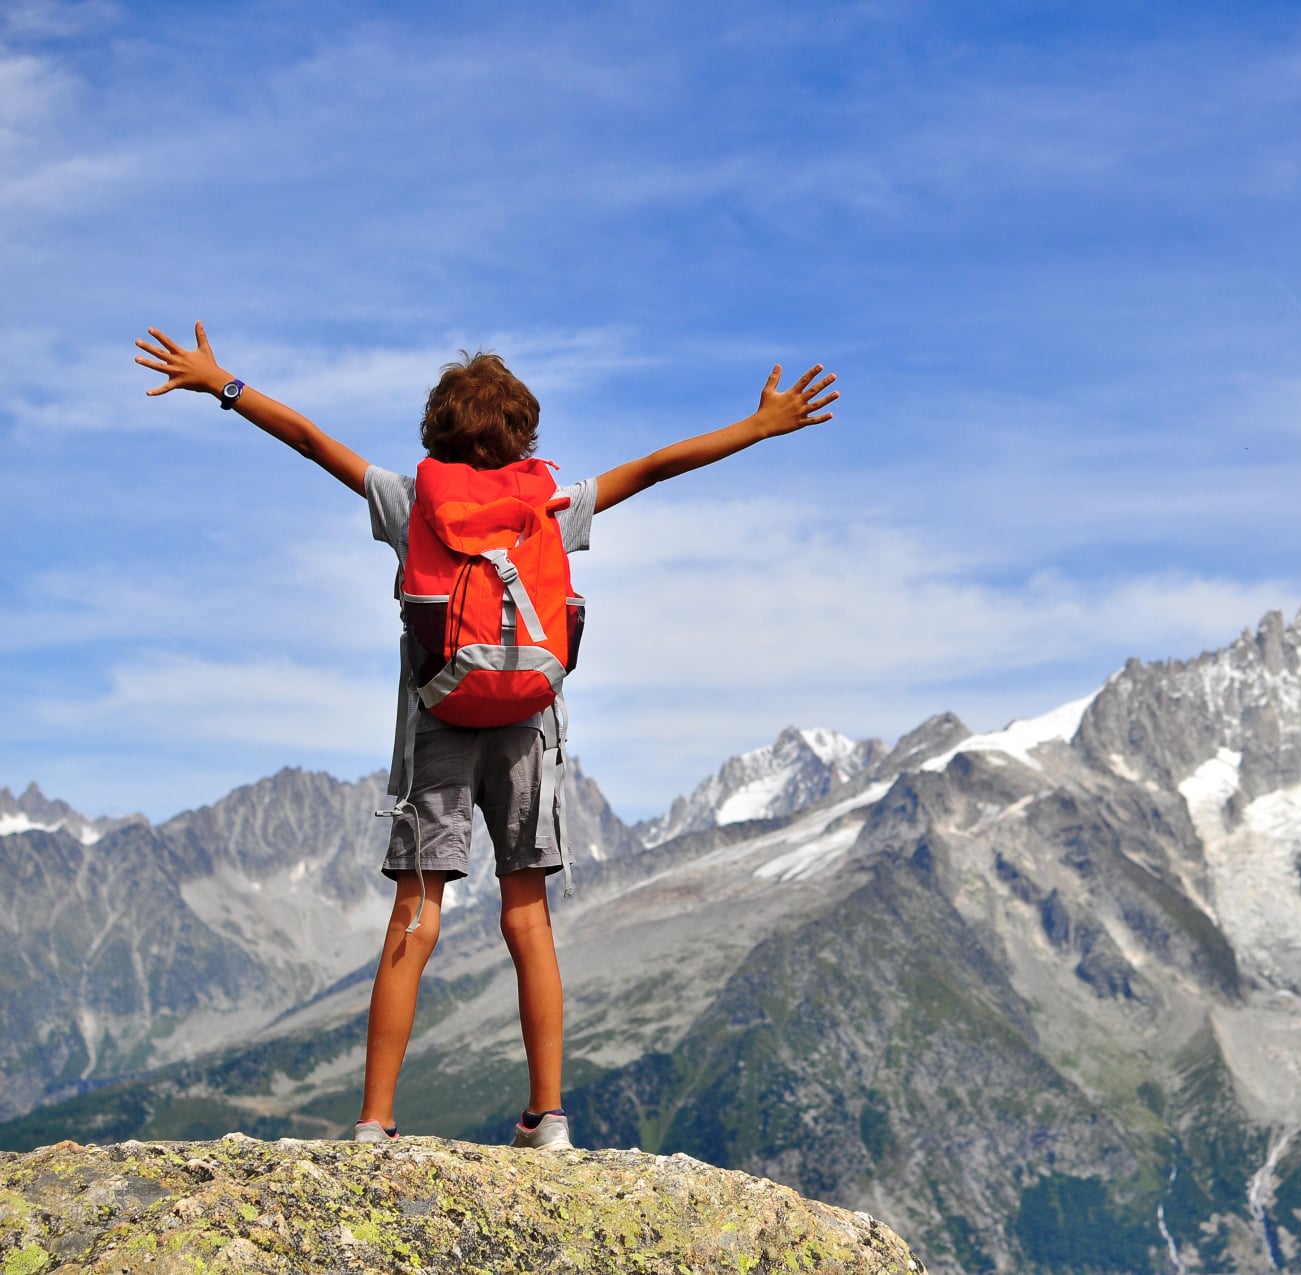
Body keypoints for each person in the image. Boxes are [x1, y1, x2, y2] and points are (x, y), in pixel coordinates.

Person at [135, 322, 837, 1149]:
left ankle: (374, 1122)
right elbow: (653, 467)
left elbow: (309, 439)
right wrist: (757, 427)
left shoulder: (409, 500)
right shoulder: (551, 507)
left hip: (439, 716)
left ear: (435, 431)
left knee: (416, 909)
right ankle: (549, 1117)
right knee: (527, 915)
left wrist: (221, 383)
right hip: (526, 725)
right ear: (524, 436)